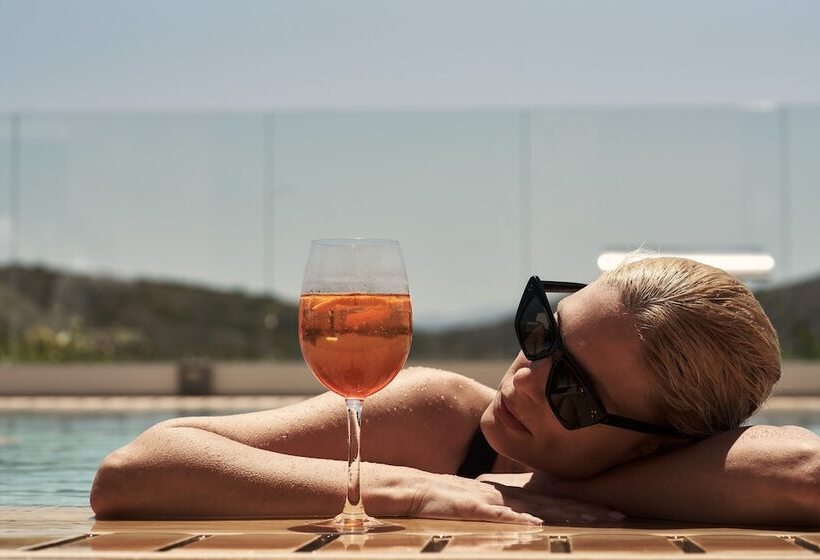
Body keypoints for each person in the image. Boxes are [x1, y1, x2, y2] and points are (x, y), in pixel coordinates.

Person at [90, 257, 820, 526]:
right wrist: (410, 490)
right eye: (542, 332)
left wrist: (548, 489)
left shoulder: (683, 467)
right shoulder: (443, 420)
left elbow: (805, 474)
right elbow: (134, 472)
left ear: (655, 445)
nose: (525, 377)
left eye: (571, 390)